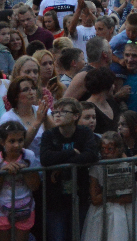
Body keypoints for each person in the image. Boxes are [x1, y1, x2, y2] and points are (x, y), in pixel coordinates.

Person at [39, 97, 100, 241]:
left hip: (80, 195)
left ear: (75, 116)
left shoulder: (84, 132)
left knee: (79, 235)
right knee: (58, 236)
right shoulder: (49, 134)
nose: (57, 115)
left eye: (63, 111)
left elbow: (91, 155)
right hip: (55, 199)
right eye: (55, 112)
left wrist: (61, 165)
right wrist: (72, 153)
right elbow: (45, 158)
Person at [82, 130, 137, 241]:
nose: (105, 152)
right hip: (99, 212)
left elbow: (130, 197)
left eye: (109, 149)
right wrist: (118, 192)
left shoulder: (126, 166)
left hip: (122, 211)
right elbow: (95, 199)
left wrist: (104, 193)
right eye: (102, 149)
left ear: (118, 149)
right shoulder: (96, 168)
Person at [0, 121, 41, 241]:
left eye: (20, 140)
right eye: (12, 141)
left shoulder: (29, 156)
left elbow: (35, 186)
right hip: (1, 209)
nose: (17, 145)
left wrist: (25, 171)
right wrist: (2, 173)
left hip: (25, 207)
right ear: (2, 142)